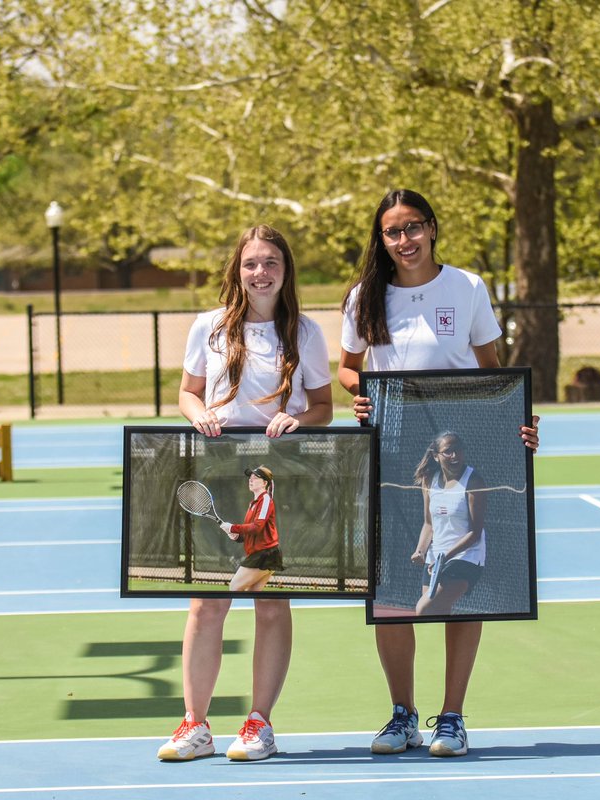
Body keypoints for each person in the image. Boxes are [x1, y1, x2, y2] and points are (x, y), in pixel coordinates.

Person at [338, 189, 539, 759]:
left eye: (413, 228)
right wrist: (364, 397)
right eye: (392, 232)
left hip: (456, 448)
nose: (404, 241)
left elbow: (492, 373)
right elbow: (349, 371)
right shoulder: (363, 298)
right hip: (394, 449)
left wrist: (517, 424)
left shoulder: (468, 288)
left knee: (459, 577)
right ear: (381, 240)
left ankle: (451, 717)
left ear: (432, 228)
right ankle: (402, 715)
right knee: (391, 587)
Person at [158, 224, 332, 763]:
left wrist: (295, 419)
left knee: (270, 605)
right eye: (252, 262)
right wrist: (201, 415)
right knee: (207, 603)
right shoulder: (207, 328)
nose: (261, 272)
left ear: (286, 271)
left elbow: (324, 407)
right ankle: (196, 725)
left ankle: (260, 724)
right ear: (238, 269)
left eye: (271, 263)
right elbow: (186, 395)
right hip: (217, 472)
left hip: (277, 481)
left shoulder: (304, 332)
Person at [411, 432, 485, 617]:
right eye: (448, 451)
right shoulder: (429, 480)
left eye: (458, 450)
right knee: (437, 616)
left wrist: (444, 559)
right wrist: (421, 550)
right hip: (435, 558)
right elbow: (429, 523)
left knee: (423, 610)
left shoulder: (474, 481)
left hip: (466, 557)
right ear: (436, 456)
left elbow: (475, 533)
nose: (454, 456)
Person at [220, 466, 284, 592]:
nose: (251, 480)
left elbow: (256, 528)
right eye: (250, 477)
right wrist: (237, 536)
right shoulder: (253, 504)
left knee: (234, 587)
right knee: (254, 594)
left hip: (265, 554)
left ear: (265, 483)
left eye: (255, 478)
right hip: (261, 553)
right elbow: (251, 533)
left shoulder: (265, 500)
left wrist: (233, 527)